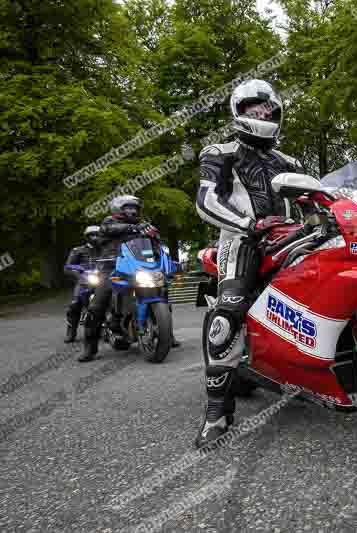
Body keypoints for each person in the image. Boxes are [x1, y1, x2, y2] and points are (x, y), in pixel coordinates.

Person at [194, 79, 307, 447]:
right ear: (239, 112)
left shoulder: (290, 162)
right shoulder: (220, 152)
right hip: (242, 239)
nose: (262, 114)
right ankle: (216, 411)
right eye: (254, 109)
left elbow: (319, 199)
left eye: (268, 109)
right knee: (228, 314)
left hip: (291, 239)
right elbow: (205, 201)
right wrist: (249, 224)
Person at [82, 195, 181, 361]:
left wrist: (162, 256)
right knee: (97, 305)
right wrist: (135, 228)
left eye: (135, 208)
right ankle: (89, 348)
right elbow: (111, 230)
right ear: (118, 209)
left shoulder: (144, 225)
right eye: (128, 208)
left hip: (139, 266)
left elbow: (156, 245)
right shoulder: (109, 222)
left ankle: (166, 334)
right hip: (111, 267)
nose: (132, 211)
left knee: (161, 294)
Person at [63, 226, 103, 343]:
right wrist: (78, 274)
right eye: (92, 235)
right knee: (75, 303)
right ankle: (71, 330)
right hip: (85, 281)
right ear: (87, 237)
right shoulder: (78, 250)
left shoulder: (106, 249)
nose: (95, 237)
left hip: (105, 280)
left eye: (97, 234)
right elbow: (67, 267)